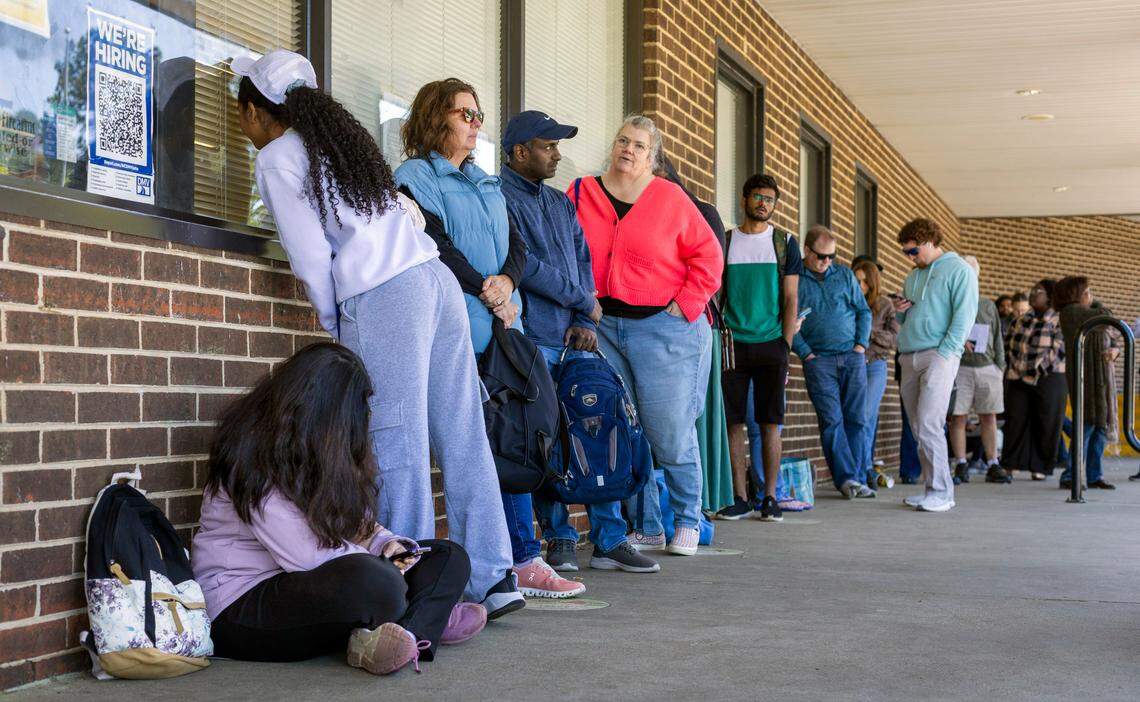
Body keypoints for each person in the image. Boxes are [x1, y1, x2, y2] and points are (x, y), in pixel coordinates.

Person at [229, 52, 517, 616]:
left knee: (394, 438)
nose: (244, 129)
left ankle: (411, 588)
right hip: (436, 282)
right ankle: (493, 572)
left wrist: (338, 328)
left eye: (242, 116)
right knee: (462, 431)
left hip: (388, 292)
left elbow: (312, 256)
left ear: (255, 111)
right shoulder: (340, 144)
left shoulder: (277, 155)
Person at [193, 343, 486, 675]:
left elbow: (358, 526)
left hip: (312, 583)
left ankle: (406, 634)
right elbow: (307, 556)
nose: (366, 418)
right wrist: (386, 568)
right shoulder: (250, 463)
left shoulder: (319, 456)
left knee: (448, 556)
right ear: (327, 412)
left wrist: (389, 546)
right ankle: (421, 619)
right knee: (377, 583)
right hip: (241, 607)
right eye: (359, 408)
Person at [393, 78, 546, 613]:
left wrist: (506, 281)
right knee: (468, 450)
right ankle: (480, 567)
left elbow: (519, 246)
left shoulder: (486, 182)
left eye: (479, 116)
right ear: (438, 118)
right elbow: (432, 242)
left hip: (505, 329)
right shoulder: (415, 177)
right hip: (457, 330)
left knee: (509, 441)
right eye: (466, 115)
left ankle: (516, 558)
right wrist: (488, 287)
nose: (476, 124)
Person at [499, 110, 659, 575]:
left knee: (600, 426)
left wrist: (584, 316)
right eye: (548, 146)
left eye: (558, 145)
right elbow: (524, 266)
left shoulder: (558, 202)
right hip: (532, 339)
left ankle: (609, 538)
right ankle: (561, 539)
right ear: (520, 151)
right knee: (547, 441)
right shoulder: (500, 197)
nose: (557, 154)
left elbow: (581, 261)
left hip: (574, 338)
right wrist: (582, 302)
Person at [569, 114, 722, 556]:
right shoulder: (582, 192)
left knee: (669, 431)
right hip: (604, 329)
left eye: (639, 145)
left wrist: (685, 304)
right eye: (622, 140)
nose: (628, 150)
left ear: (651, 157)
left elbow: (709, 258)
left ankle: (689, 519)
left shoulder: (669, 197)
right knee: (624, 428)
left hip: (663, 329)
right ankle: (648, 525)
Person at [714, 173, 801, 521]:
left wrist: (786, 345)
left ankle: (769, 497)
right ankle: (739, 496)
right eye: (758, 197)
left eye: (770, 199)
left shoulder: (784, 242)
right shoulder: (726, 240)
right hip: (733, 344)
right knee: (733, 422)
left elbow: (792, 296)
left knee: (770, 422)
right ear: (745, 199)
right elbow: (716, 291)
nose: (764, 204)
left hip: (771, 345)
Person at [657, 156, 735, 516]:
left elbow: (711, 273)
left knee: (689, 419)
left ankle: (694, 509)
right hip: (646, 332)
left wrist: (680, 306)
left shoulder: (702, 212)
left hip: (692, 326)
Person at [894, 218, 977, 513]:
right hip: (909, 354)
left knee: (930, 422)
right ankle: (931, 489)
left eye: (913, 251)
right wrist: (899, 313)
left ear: (929, 241)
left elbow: (965, 315)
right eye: (906, 253)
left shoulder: (959, 270)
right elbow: (910, 318)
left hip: (939, 355)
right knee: (919, 427)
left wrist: (946, 353)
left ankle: (943, 491)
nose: (910, 258)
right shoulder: (913, 276)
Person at [793, 226, 873, 499]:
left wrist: (861, 345)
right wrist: (806, 353)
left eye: (832, 256)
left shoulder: (844, 275)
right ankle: (848, 478)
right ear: (807, 251)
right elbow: (787, 319)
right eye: (821, 256)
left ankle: (857, 478)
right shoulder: (795, 278)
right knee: (831, 420)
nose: (827, 261)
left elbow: (863, 311)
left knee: (857, 419)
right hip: (819, 360)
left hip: (852, 357)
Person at [1055, 276, 1118, 490]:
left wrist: (1115, 350)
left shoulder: (1085, 311)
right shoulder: (1071, 312)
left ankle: (1093, 475)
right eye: (1087, 290)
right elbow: (1105, 317)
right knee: (1087, 424)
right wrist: (1097, 305)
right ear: (1076, 294)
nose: (1090, 294)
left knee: (1100, 425)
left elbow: (1111, 334)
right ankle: (1070, 475)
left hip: (1101, 376)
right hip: (1084, 375)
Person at [949, 256, 1008, 485]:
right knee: (958, 417)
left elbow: (997, 337)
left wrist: (1000, 366)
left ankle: (993, 463)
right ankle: (961, 463)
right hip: (960, 367)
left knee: (989, 416)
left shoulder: (987, 304)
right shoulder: (952, 300)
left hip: (987, 367)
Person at [1001, 279, 1066, 481]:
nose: (1033, 293)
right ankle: (1010, 464)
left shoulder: (1058, 319)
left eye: (1038, 291)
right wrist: (1015, 366)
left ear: (1050, 297)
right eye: (1033, 289)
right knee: (1015, 420)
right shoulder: (1021, 318)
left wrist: (1037, 369)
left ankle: (1042, 467)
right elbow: (1008, 344)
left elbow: (1060, 350)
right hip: (1018, 376)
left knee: (1046, 423)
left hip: (1049, 377)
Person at [853, 258, 898, 490]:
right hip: (853, 364)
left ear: (872, 282)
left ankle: (864, 469)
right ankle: (862, 469)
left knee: (865, 417)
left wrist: (868, 333)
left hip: (874, 365)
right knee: (856, 419)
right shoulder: (849, 301)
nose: (860, 285)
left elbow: (894, 338)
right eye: (856, 280)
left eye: (864, 281)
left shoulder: (885, 304)